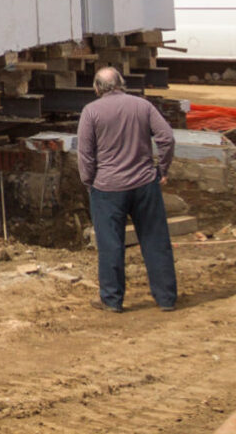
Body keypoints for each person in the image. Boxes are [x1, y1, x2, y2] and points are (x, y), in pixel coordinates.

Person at [76, 66, 177, 313]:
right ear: (122, 83)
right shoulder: (142, 106)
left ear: (97, 88)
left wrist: (89, 182)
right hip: (144, 184)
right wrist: (161, 170)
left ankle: (112, 300)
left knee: (111, 245)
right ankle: (166, 299)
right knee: (156, 241)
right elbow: (167, 138)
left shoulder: (91, 112)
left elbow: (86, 154)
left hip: (107, 188)